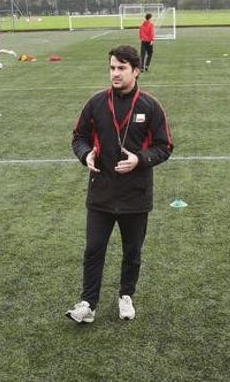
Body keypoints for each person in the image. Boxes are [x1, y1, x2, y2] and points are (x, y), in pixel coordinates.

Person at [66, 45, 173, 323]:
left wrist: (140, 159)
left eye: (122, 68)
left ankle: (126, 295)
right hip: (101, 192)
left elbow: (165, 146)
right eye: (112, 67)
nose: (115, 73)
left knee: (132, 252)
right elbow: (78, 137)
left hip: (135, 196)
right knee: (93, 250)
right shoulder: (96, 103)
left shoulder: (150, 106)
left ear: (135, 71)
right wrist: (85, 153)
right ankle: (88, 303)